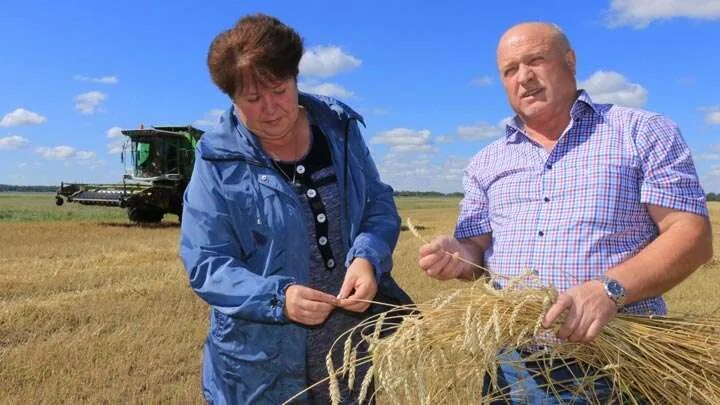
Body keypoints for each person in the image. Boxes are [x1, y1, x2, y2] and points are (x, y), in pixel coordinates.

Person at [418, 22, 713, 403]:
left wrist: (609, 290)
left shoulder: (640, 132)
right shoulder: (486, 161)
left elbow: (691, 235)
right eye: (510, 70)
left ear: (570, 62)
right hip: (512, 366)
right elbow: (475, 249)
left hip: (617, 363)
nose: (524, 78)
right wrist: (458, 254)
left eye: (535, 61)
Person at [179, 14, 411, 404]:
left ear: (296, 79)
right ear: (232, 99)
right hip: (259, 369)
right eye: (252, 100)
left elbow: (378, 205)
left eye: (279, 90)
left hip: (349, 359)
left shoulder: (339, 130)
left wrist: (367, 259)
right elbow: (206, 263)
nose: (270, 109)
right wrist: (278, 298)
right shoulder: (217, 160)